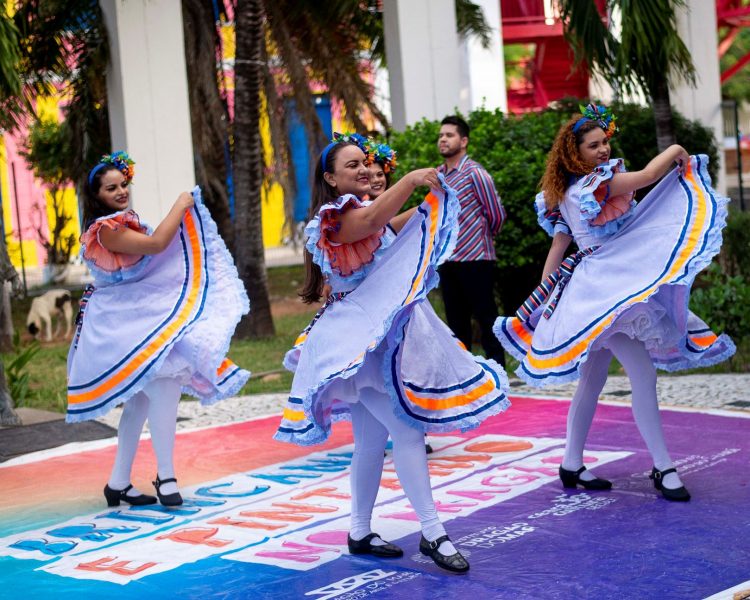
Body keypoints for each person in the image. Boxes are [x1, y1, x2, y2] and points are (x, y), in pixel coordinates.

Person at [275, 133, 510, 573]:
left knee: (370, 440)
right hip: (358, 344)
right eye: (351, 166)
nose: (364, 169)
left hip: (373, 338)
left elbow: (385, 226)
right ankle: (433, 532)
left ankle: (360, 531)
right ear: (330, 178)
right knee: (406, 432)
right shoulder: (334, 217)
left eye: (365, 162)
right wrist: (412, 181)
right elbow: (367, 226)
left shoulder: (365, 212)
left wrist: (429, 207)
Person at [494, 104, 735, 501]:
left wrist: (548, 300)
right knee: (641, 371)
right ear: (576, 153)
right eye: (594, 145)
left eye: (605, 142)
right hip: (603, 287)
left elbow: (559, 246)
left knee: (593, 379)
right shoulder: (593, 186)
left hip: (599, 284)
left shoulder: (569, 190)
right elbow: (649, 176)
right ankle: (664, 466)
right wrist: (676, 148)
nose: (603, 150)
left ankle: (572, 464)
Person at [67, 151, 250, 507]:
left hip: (135, 315)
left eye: (123, 185)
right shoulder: (106, 231)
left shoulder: (121, 223)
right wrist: (181, 204)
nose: (121, 192)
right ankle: (165, 477)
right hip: (123, 321)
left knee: (138, 401)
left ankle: (118, 482)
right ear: (96, 195)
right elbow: (156, 245)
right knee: (164, 388)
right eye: (111, 188)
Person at [437, 115, 506, 366]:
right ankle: (464, 372)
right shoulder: (438, 175)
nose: (443, 139)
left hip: (477, 258)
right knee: (456, 321)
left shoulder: (476, 173)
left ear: (463, 141)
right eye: (441, 135)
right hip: (447, 258)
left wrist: (484, 238)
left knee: (486, 317)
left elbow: (497, 214)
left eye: (449, 135)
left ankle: (498, 367)